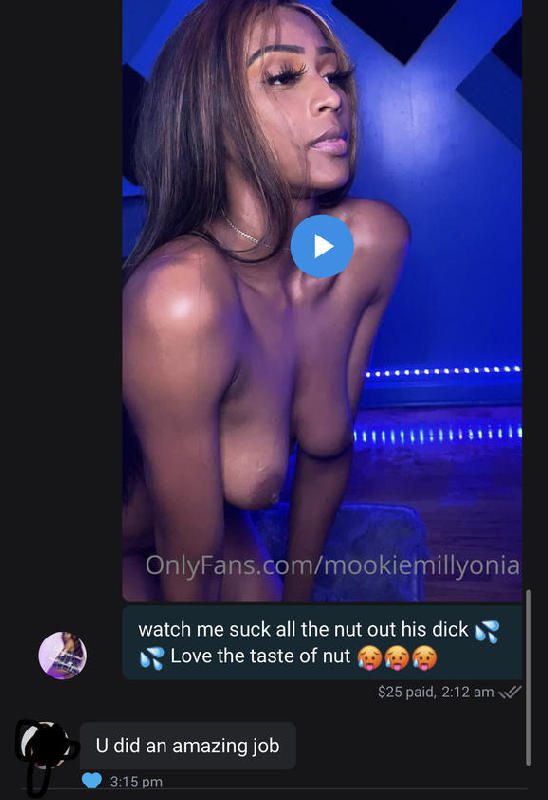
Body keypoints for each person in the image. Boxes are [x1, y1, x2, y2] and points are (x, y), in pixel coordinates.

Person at [122, 0, 410, 602]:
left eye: (332, 74)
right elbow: (188, 557)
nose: (331, 97)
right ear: (213, 117)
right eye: (283, 76)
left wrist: (296, 622)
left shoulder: (369, 243)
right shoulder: (183, 297)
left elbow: (328, 455)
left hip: (215, 529)